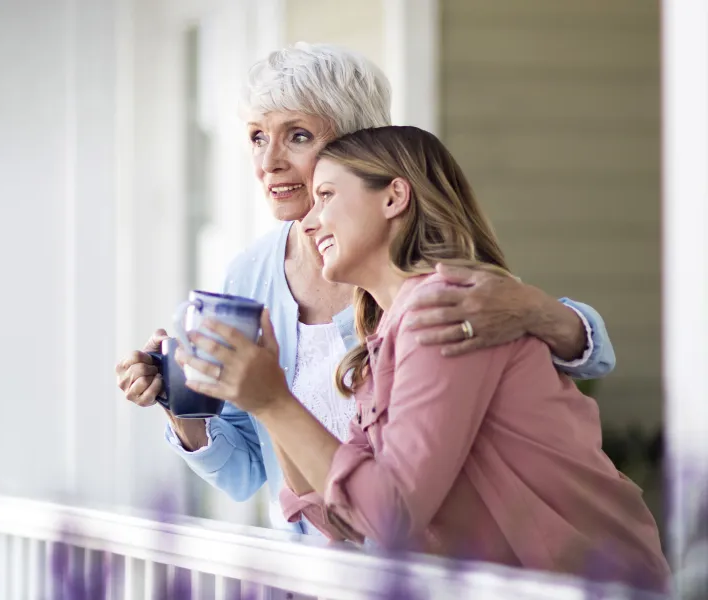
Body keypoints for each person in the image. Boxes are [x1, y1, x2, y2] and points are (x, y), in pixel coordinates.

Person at [115, 43, 616, 534]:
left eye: (297, 136)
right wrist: (184, 406)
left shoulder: (418, 281)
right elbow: (250, 469)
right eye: (255, 137)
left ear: (355, 145)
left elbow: (575, 356)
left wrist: (535, 309)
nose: (269, 162)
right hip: (327, 553)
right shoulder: (247, 278)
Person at [179, 126, 669, 591]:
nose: (307, 223)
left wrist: (272, 403)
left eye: (325, 196)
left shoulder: (446, 309)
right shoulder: (384, 340)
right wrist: (272, 392)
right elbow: (341, 519)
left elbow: (389, 516)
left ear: (394, 197)